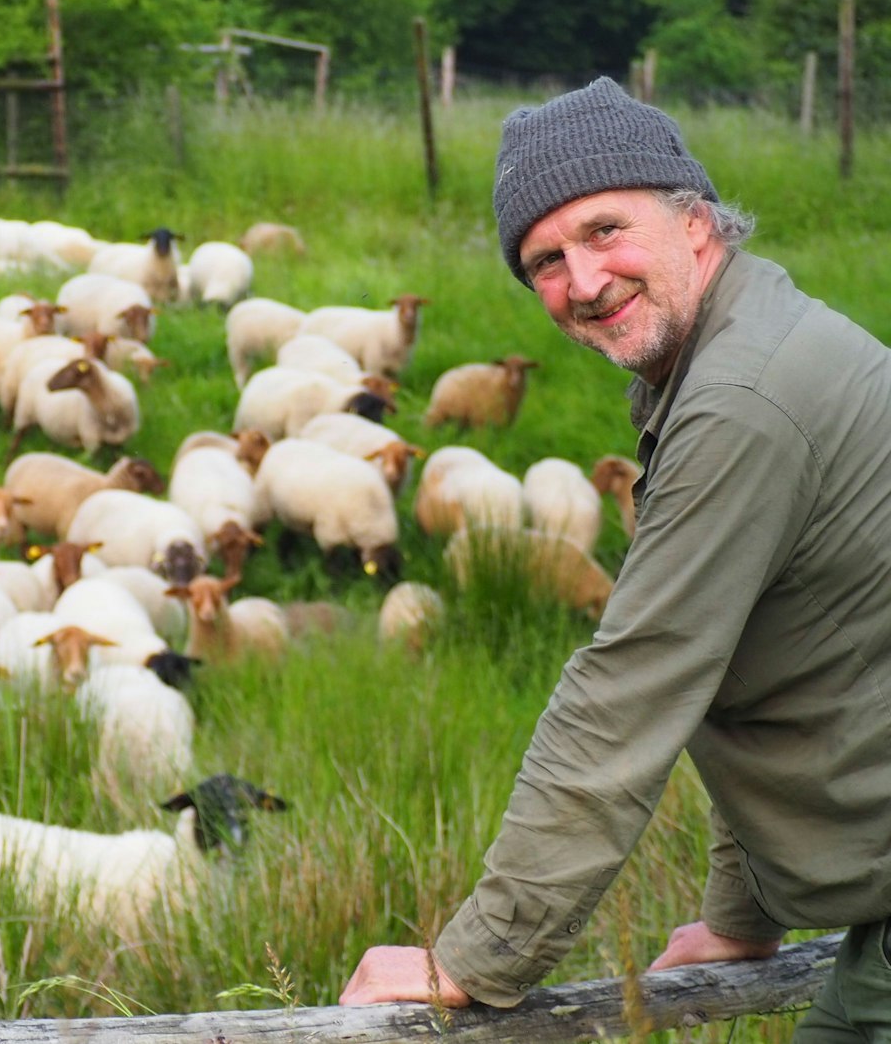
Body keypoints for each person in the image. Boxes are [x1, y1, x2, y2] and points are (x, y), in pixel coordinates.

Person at [339, 77, 891, 1041]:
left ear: (695, 221)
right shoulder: (750, 343)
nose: (582, 281)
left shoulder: (740, 402)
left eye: (604, 231)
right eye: (544, 260)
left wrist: (473, 957)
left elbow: (633, 686)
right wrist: (740, 913)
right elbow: (766, 654)